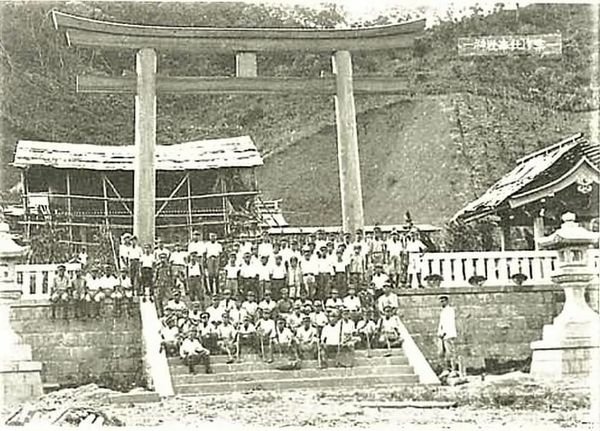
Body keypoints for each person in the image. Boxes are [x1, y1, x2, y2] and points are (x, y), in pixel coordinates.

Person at [437, 294, 458, 376]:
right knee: (441, 353)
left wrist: (444, 332)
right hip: (441, 335)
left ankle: (453, 370)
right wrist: (439, 332)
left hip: (448, 334)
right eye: (441, 301)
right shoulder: (442, 311)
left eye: (443, 301)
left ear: (447, 301)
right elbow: (441, 323)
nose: (442, 303)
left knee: (450, 353)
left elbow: (449, 323)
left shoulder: (450, 310)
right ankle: (445, 369)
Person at [154, 252, 173, 317]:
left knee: (169, 299)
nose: (163, 259)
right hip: (160, 284)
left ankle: (169, 313)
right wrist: (155, 284)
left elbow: (171, 276)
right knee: (159, 299)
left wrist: (172, 284)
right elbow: (155, 276)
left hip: (167, 285)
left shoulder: (169, 266)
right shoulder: (158, 267)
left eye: (164, 258)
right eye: (161, 258)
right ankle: (161, 314)